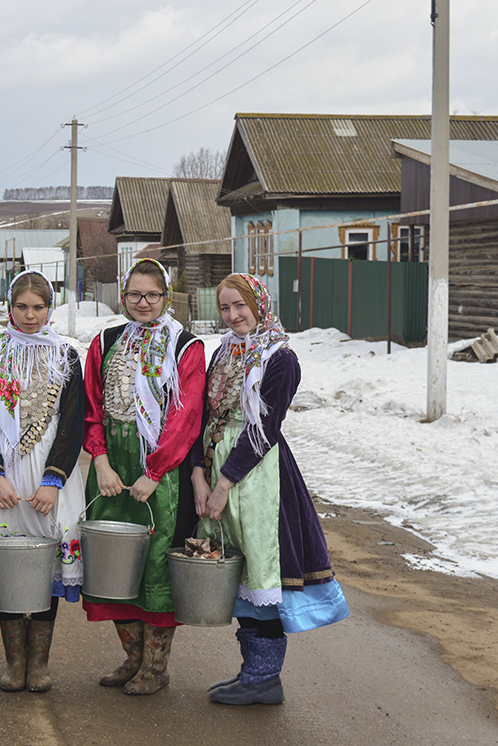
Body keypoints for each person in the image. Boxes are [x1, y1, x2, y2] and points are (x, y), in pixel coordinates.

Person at [191, 273, 349, 706]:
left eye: (240, 306)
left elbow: (263, 431)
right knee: (238, 572)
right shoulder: (224, 351)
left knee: (262, 571)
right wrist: (198, 473)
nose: (233, 315)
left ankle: (264, 677)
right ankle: (252, 673)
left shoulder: (281, 358)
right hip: (217, 465)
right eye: (224, 308)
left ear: (258, 303)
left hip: (258, 478)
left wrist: (224, 482)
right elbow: (205, 418)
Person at [82, 258, 205, 695]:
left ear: (166, 296)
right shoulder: (106, 341)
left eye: (153, 294)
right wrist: (99, 461)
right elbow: (92, 408)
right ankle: (132, 657)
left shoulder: (186, 347)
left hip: (160, 477)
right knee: (114, 565)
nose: (143, 302)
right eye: (135, 294)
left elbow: (186, 416)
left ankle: (156, 665)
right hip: (112, 472)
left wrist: (155, 472)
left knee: (154, 563)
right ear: (123, 296)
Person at [0, 270, 85, 694]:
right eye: (22, 306)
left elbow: (72, 424)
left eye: (38, 307)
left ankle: (38, 663)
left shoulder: (67, 356)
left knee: (42, 567)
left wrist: (54, 479)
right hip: (3, 478)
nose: (30, 315)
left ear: (50, 309)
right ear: (9, 308)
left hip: (50, 477)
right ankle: (13, 662)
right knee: (7, 564)